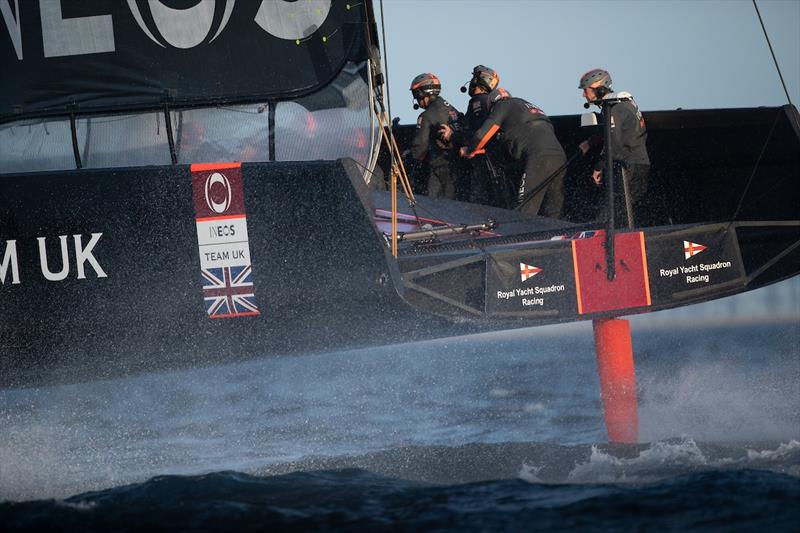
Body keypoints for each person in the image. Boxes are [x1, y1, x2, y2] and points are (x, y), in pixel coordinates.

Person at [449, 65, 567, 218]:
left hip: (538, 157)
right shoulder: (528, 106)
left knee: (524, 209)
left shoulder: (502, 106)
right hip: (560, 156)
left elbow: (481, 136)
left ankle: (520, 239)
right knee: (553, 210)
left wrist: (469, 150)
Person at [578, 68, 650, 226]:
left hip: (628, 166)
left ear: (598, 87)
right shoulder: (622, 104)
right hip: (639, 162)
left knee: (612, 210)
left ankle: (597, 240)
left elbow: (613, 144)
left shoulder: (614, 109)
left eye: (585, 90)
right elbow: (618, 132)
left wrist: (599, 166)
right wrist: (590, 142)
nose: (584, 95)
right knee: (621, 208)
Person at [409, 72, 463, 199]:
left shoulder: (426, 116)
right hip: (458, 168)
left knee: (433, 210)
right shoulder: (453, 110)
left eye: (416, 95)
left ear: (421, 93)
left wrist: (407, 158)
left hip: (439, 170)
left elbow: (419, 149)